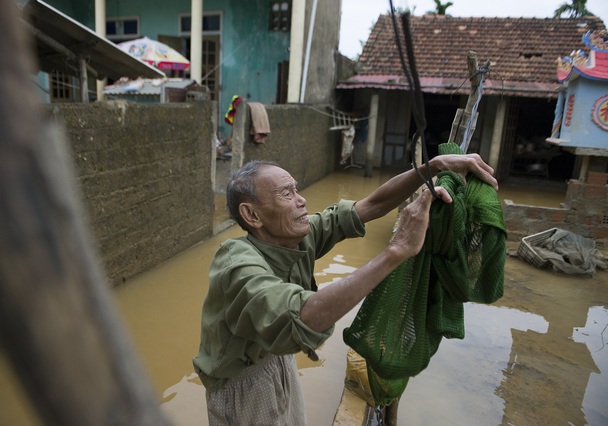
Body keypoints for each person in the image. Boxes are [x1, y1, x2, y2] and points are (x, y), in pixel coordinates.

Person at [192, 154, 497, 425]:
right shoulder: (237, 264)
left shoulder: (296, 236)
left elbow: (371, 205)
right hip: (242, 382)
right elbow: (304, 317)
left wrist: (433, 166)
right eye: (287, 194)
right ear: (252, 215)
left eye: (297, 189)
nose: (302, 201)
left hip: (276, 357)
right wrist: (397, 250)